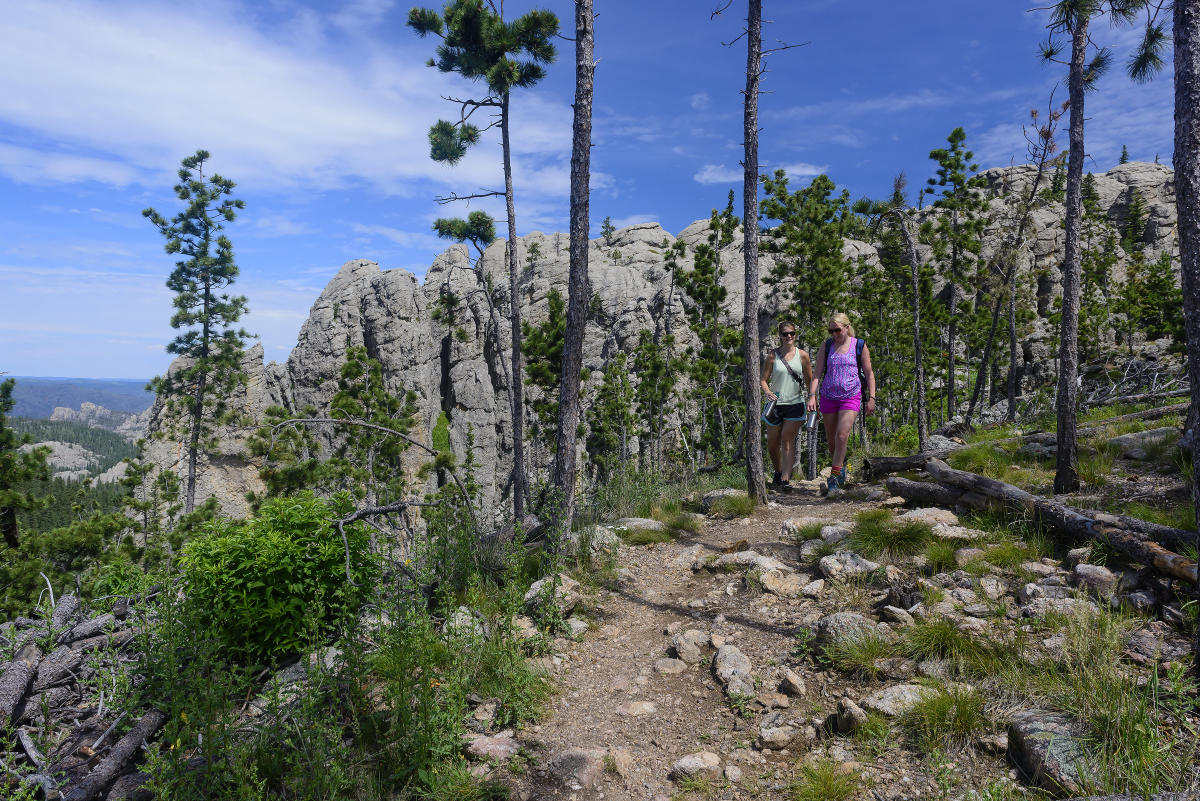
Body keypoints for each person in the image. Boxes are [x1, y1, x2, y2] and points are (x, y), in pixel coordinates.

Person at [808, 312, 876, 494]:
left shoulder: (859, 345)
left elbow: (869, 373)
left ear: (847, 327)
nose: (834, 334)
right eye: (831, 331)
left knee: (842, 436)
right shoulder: (827, 346)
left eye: (837, 330)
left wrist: (872, 398)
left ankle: (834, 477)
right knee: (831, 440)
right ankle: (841, 467)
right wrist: (812, 395)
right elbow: (817, 373)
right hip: (828, 396)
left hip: (851, 396)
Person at [760, 321, 812, 491]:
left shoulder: (802, 356)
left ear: (795, 334)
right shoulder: (772, 356)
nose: (789, 336)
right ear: (780, 336)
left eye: (792, 333)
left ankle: (785, 479)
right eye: (785, 334)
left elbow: (809, 380)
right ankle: (778, 471)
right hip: (774, 405)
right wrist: (767, 391)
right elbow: (763, 379)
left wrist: (813, 399)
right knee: (772, 444)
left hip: (795, 404)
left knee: (786, 440)